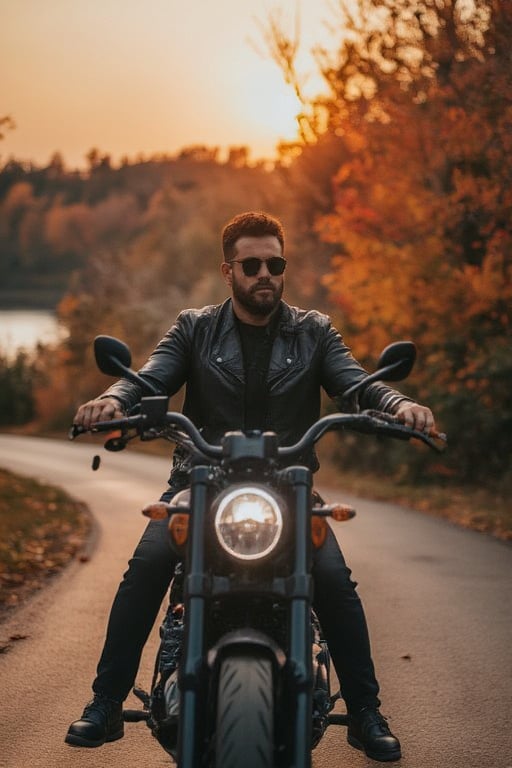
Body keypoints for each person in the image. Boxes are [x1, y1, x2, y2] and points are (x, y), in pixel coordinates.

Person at [66, 211, 435, 761]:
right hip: (199, 483)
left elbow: (356, 384)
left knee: (332, 578)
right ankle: (105, 702)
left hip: (290, 489)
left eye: (276, 263)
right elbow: (150, 375)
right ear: (228, 270)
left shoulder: (313, 331)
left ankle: (364, 710)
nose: (266, 273)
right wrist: (116, 401)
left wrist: (398, 404)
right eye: (253, 264)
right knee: (146, 566)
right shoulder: (194, 328)